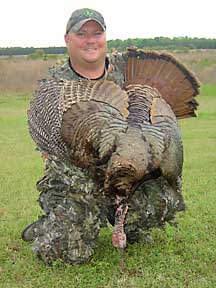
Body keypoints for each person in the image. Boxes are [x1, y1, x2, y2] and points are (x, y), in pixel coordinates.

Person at [22, 8, 185, 265]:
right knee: (67, 254)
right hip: (78, 174)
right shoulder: (56, 84)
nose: (90, 40)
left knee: (163, 200)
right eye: (82, 33)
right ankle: (53, 224)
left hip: (129, 168)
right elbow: (50, 147)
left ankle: (128, 222)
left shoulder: (127, 70)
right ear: (67, 39)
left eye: (97, 33)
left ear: (105, 36)